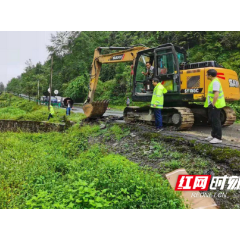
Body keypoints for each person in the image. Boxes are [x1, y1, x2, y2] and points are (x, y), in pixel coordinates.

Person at [204, 69, 226, 144]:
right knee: (212, 120)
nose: (206, 76)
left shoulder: (215, 82)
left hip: (216, 104)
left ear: (210, 75)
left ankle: (218, 137)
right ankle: (213, 135)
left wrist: (213, 104)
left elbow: (216, 94)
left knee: (216, 121)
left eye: (207, 74)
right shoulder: (213, 82)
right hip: (214, 104)